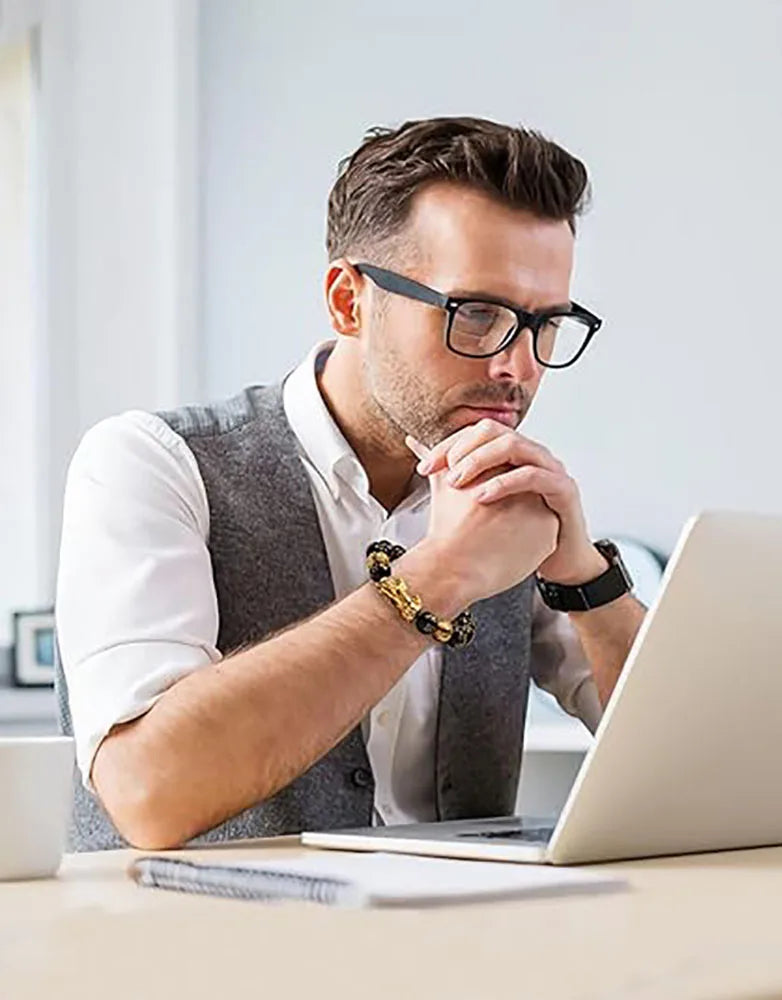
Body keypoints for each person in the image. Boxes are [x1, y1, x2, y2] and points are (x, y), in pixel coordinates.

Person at [56, 116, 647, 851]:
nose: (517, 367)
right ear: (349, 302)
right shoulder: (149, 464)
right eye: (477, 314)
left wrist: (585, 580)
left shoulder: (508, 498)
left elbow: (695, 766)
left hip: (467, 949)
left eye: (544, 324)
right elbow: (149, 792)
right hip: (201, 954)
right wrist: (436, 578)